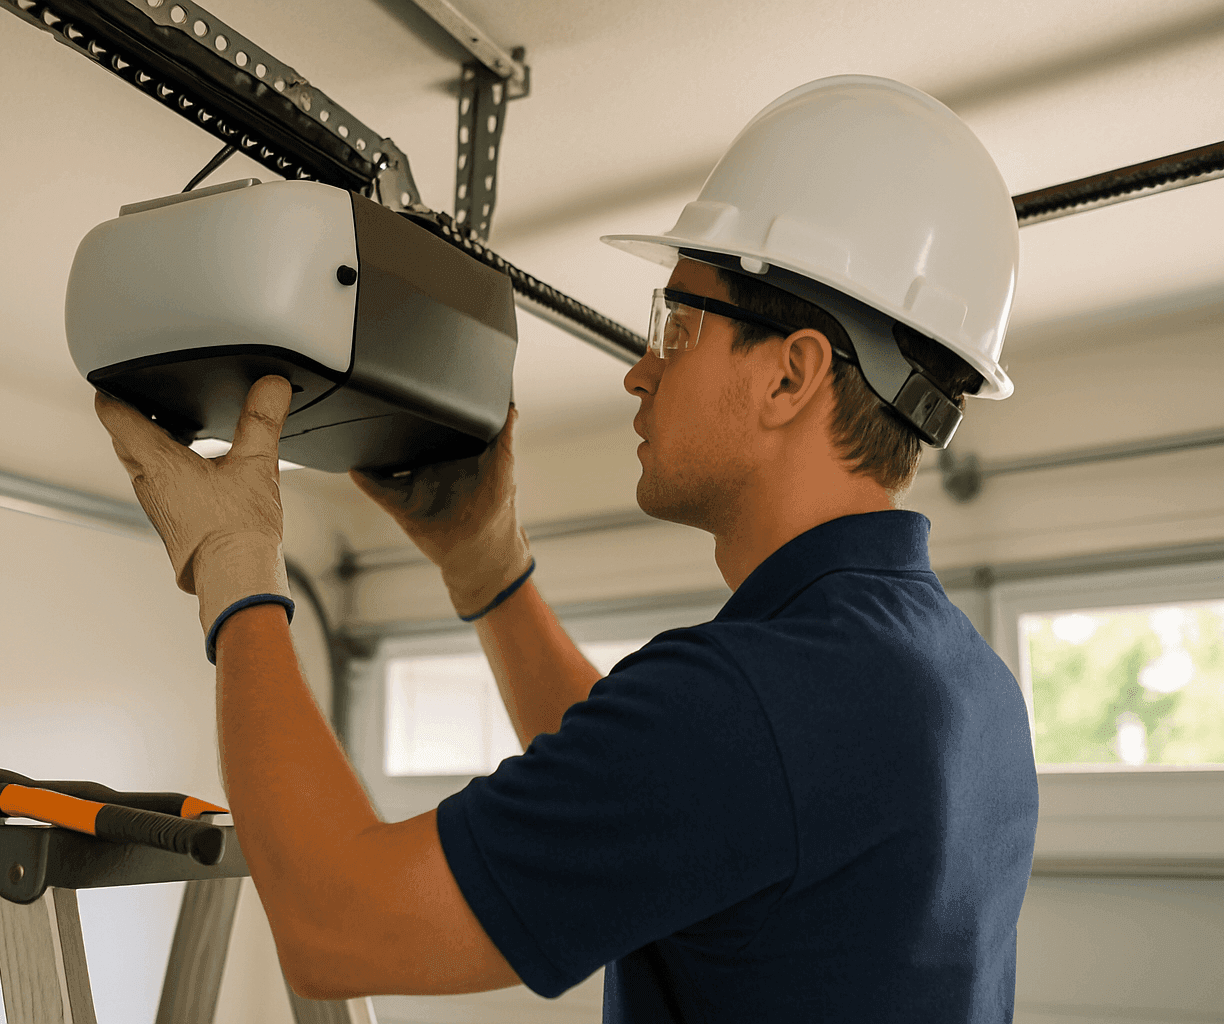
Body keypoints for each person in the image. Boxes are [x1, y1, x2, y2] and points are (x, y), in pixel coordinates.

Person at [95, 75, 1039, 1022]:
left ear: (790, 374)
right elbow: (671, 801)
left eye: (678, 325)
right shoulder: (967, 686)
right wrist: (487, 567)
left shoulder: (756, 704)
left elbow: (335, 924)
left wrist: (233, 561)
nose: (639, 370)